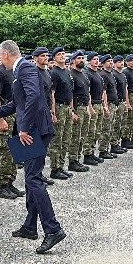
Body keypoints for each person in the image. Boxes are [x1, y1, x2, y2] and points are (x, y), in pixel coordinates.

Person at [0, 40, 66, 254]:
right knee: (30, 178)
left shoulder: (25, 67)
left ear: (6, 55)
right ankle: (30, 226)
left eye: (1, 59)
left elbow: (35, 97)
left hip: (34, 130)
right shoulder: (21, 69)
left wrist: (24, 127)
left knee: (33, 179)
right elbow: (17, 103)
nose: (0, 63)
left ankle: (53, 229)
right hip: (32, 129)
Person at [0, 54, 24, 199]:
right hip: (5, 115)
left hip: (16, 115)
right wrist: (0, 118)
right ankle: (3, 186)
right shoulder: (0, 71)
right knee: (4, 150)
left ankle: (10, 182)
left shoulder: (14, 71)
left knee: (14, 149)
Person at [48, 47, 75, 180]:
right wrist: (53, 112)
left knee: (66, 138)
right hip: (58, 107)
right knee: (57, 139)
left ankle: (61, 166)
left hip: (67, 107)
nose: (62, 56)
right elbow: (52, 93)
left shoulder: (67, 72)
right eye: (59, 54)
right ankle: (55, 168)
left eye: (63, 54)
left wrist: (71, 108)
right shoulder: (54, 73)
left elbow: (70, 93)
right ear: (54, 58)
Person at [32, 47, 55, 185]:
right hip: (36, 113)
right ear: (35, 58)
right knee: (35, 146)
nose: (46, 57)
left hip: (45, 112)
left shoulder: (47, 72)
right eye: (42, 56)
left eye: (47, 55)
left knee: (43, 146)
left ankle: (39, 174)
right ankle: (35, 176)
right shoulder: (33, 73)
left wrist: (51, 111)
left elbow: (50, 94)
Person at [68, 51, 91, 172]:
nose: (81, 60)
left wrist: (88, 107)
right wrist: (72, 111)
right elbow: (70, 94)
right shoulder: (71, 75)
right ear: (72, 61)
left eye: (83, 58)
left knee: (83, 135)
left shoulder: (84, 74)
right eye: (79, 58)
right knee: (75, 135)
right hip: (77, 108)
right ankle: (72, 161)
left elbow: (87, 92)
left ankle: (77, 158)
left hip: (84, 107)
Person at [82, 52, 107, 165]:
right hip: (92, 104)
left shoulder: (98, 74)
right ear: (89, 61)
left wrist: (104, 105)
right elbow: (87, 92)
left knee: (97, 131)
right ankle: (87, 154)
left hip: (99, 104)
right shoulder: (87, 73)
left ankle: (92, 152)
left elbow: (102, 92)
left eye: (97, 59)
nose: (96, 61)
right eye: (94, 59)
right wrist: (90, 107)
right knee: (91, 131)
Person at [98, 55, 122, 157]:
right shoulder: (103, 74)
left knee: (111, 127)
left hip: (113, 103)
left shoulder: (111, 74)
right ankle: (103, 150)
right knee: (106, 128)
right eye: (108, 61)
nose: (111, 63)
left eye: (112, 61)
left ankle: (108, 148)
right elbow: (104, 92)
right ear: (103, 63)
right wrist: (105, 106)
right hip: (108, 104)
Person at [112, 55, 133, 150]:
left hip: (123, 102)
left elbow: (126, 89)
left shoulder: (122, 75)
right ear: (115, 63)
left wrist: (127, 102)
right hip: (117, 102)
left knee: (122, 123)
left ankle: (120, 143)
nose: (121, 63)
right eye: (119, 61)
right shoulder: (114, 74)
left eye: (122, 61)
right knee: (116, 124)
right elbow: (113, 90)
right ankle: (114, 144)